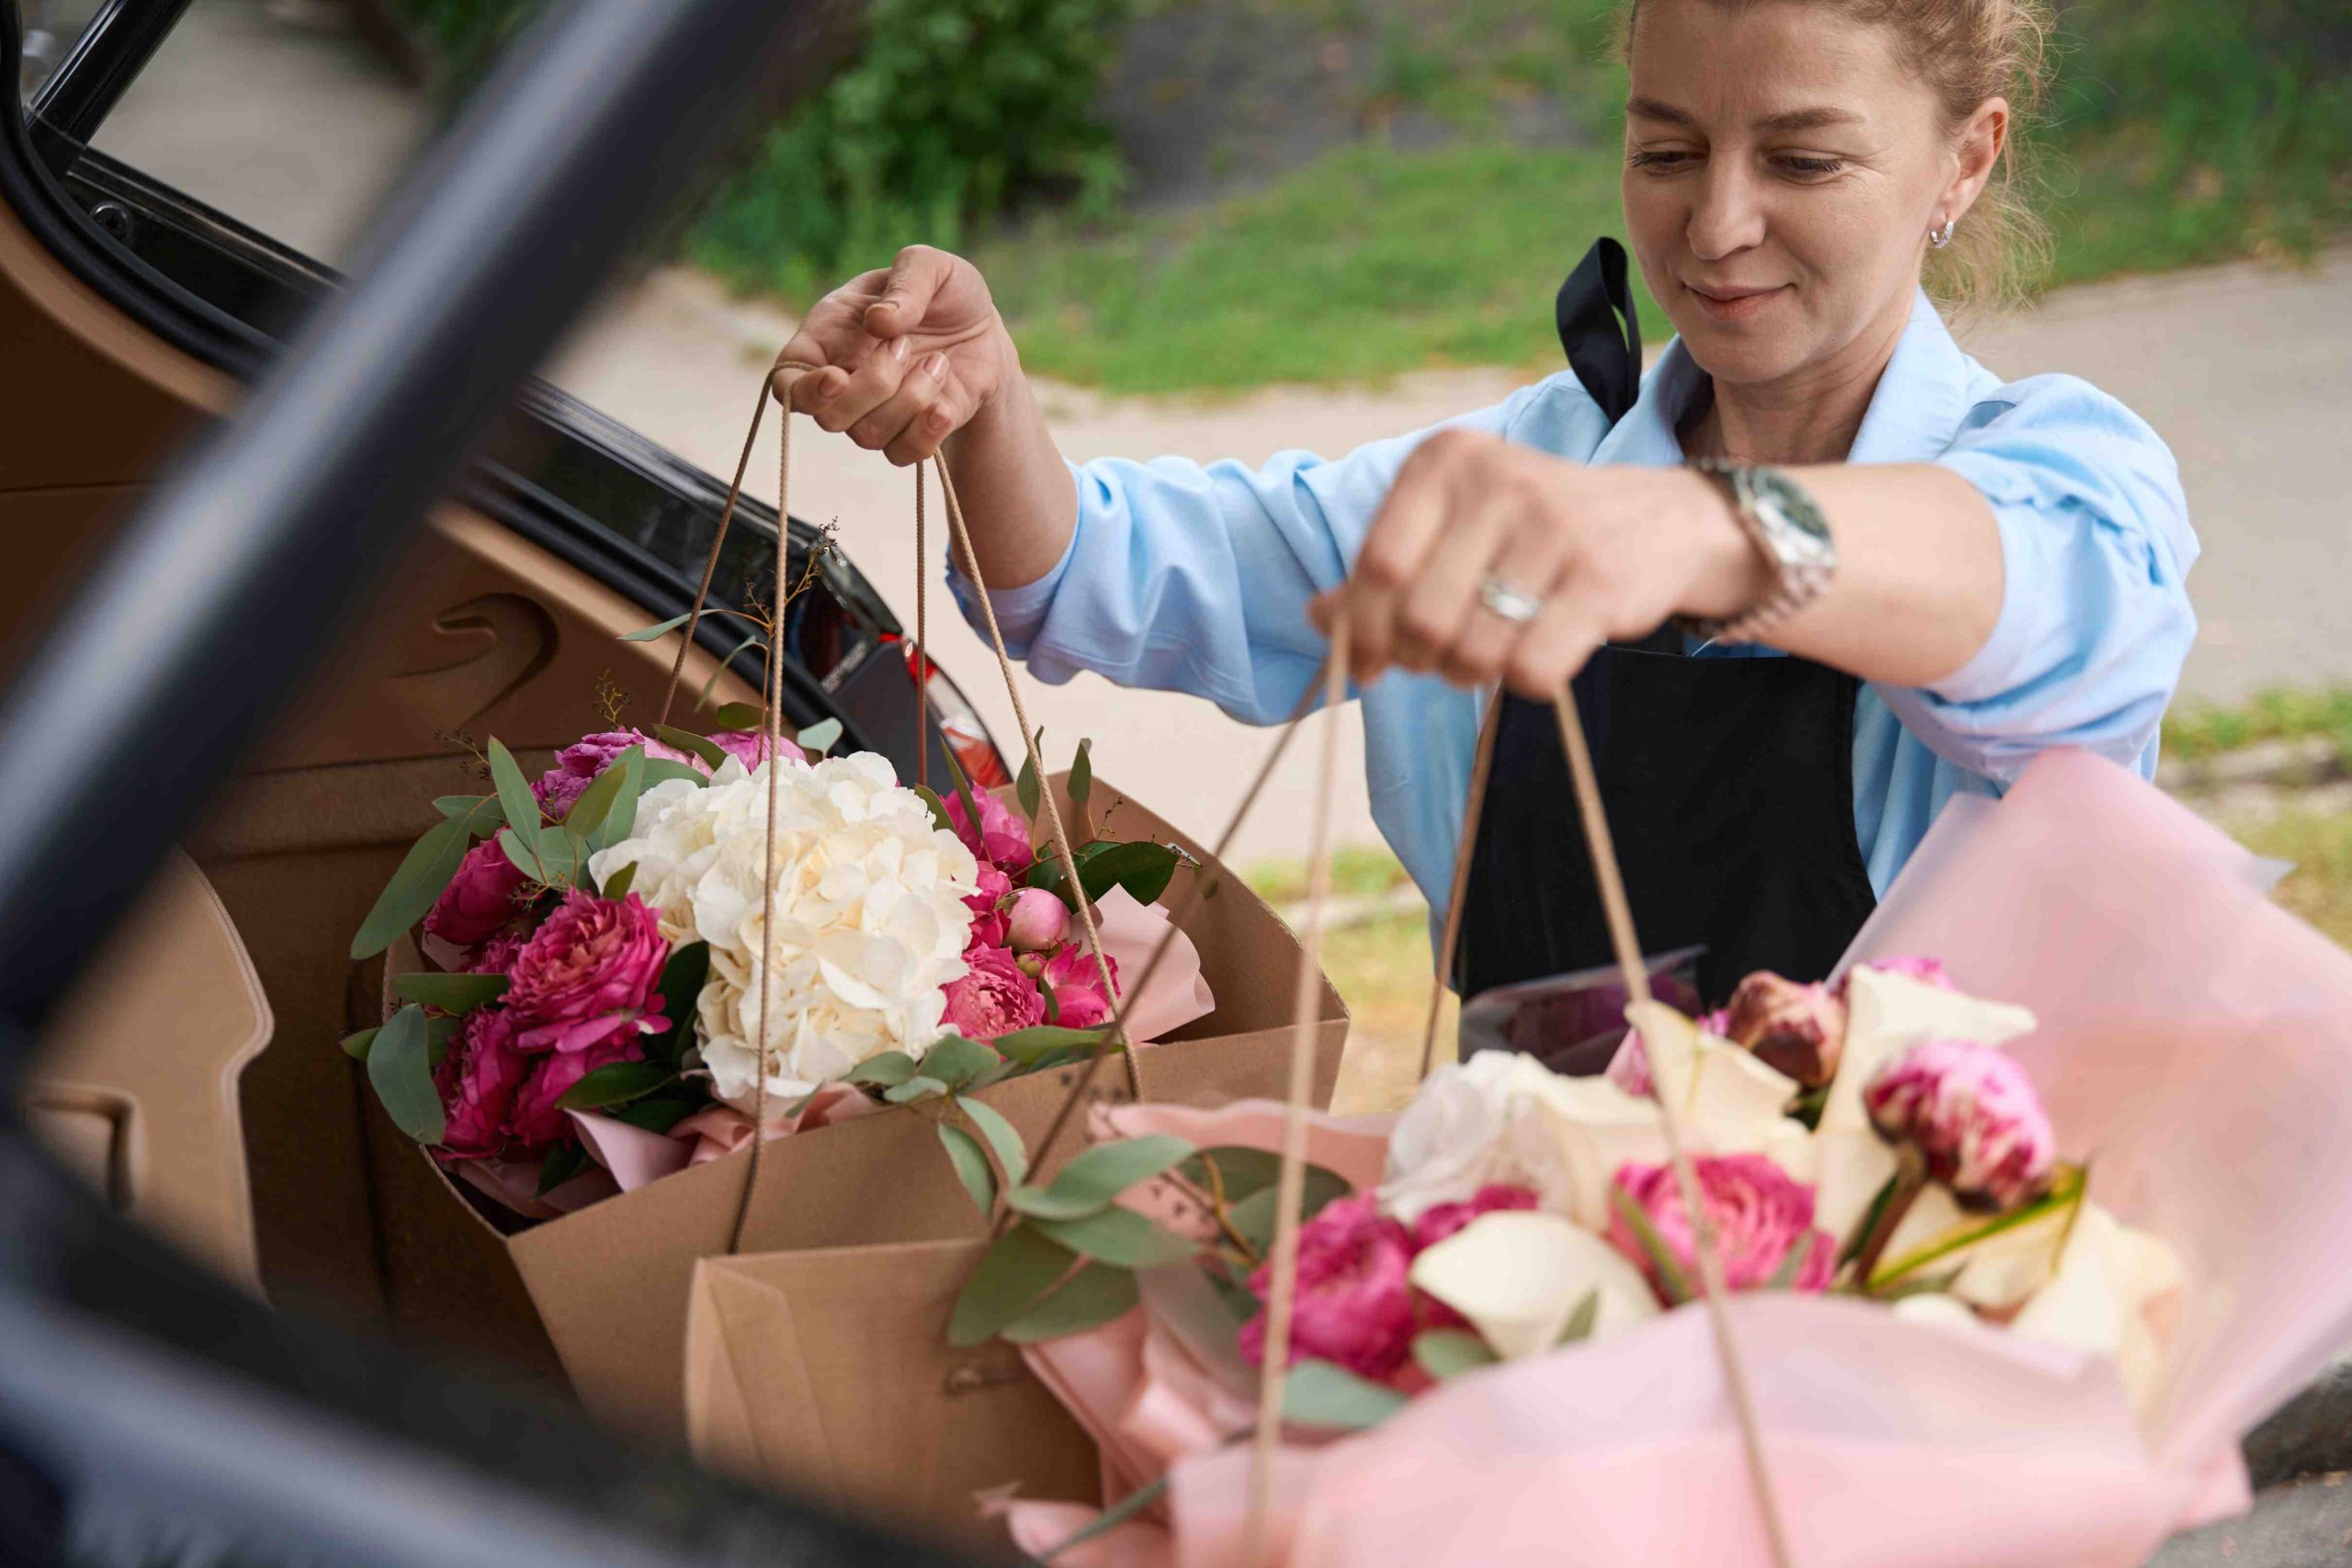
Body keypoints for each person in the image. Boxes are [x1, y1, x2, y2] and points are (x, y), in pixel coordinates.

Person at [773, 0, 2197, 1004]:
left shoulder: (2054, 475)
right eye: (1668, 150)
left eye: (1805, 159)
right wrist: (990, 396)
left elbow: (2019, 580)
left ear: (1966, 157)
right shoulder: (1543, 467)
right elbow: (1102, 578)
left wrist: (1699, 534)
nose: (1716, 226)